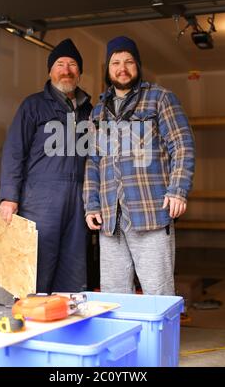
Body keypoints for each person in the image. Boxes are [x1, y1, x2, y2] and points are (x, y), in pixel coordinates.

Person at [84, 36, 195, 295]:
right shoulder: (98, 111)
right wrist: (91, 204)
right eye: (115, 62)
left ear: (138, 65)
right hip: (111, 218)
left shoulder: (160, 98)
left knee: (158, 293)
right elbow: (93, 161)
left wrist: (178, 190)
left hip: (151, 212)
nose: (122, 68)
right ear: (108, 69)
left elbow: (182, 144)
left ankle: (162, 338)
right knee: (114, 296)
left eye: (129, 62)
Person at [0, 38, 92, 293]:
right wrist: (9, 196)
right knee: (36, 268)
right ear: (50, 71)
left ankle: (67, 330)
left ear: (79, 72)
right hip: (41, 199)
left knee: (73, 270)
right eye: (60, 64)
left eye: (72, 64)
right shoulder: (33, 106)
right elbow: (14, 151)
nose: (66, 70)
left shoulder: (90, 112)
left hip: (79, 199)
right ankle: (31, 325)